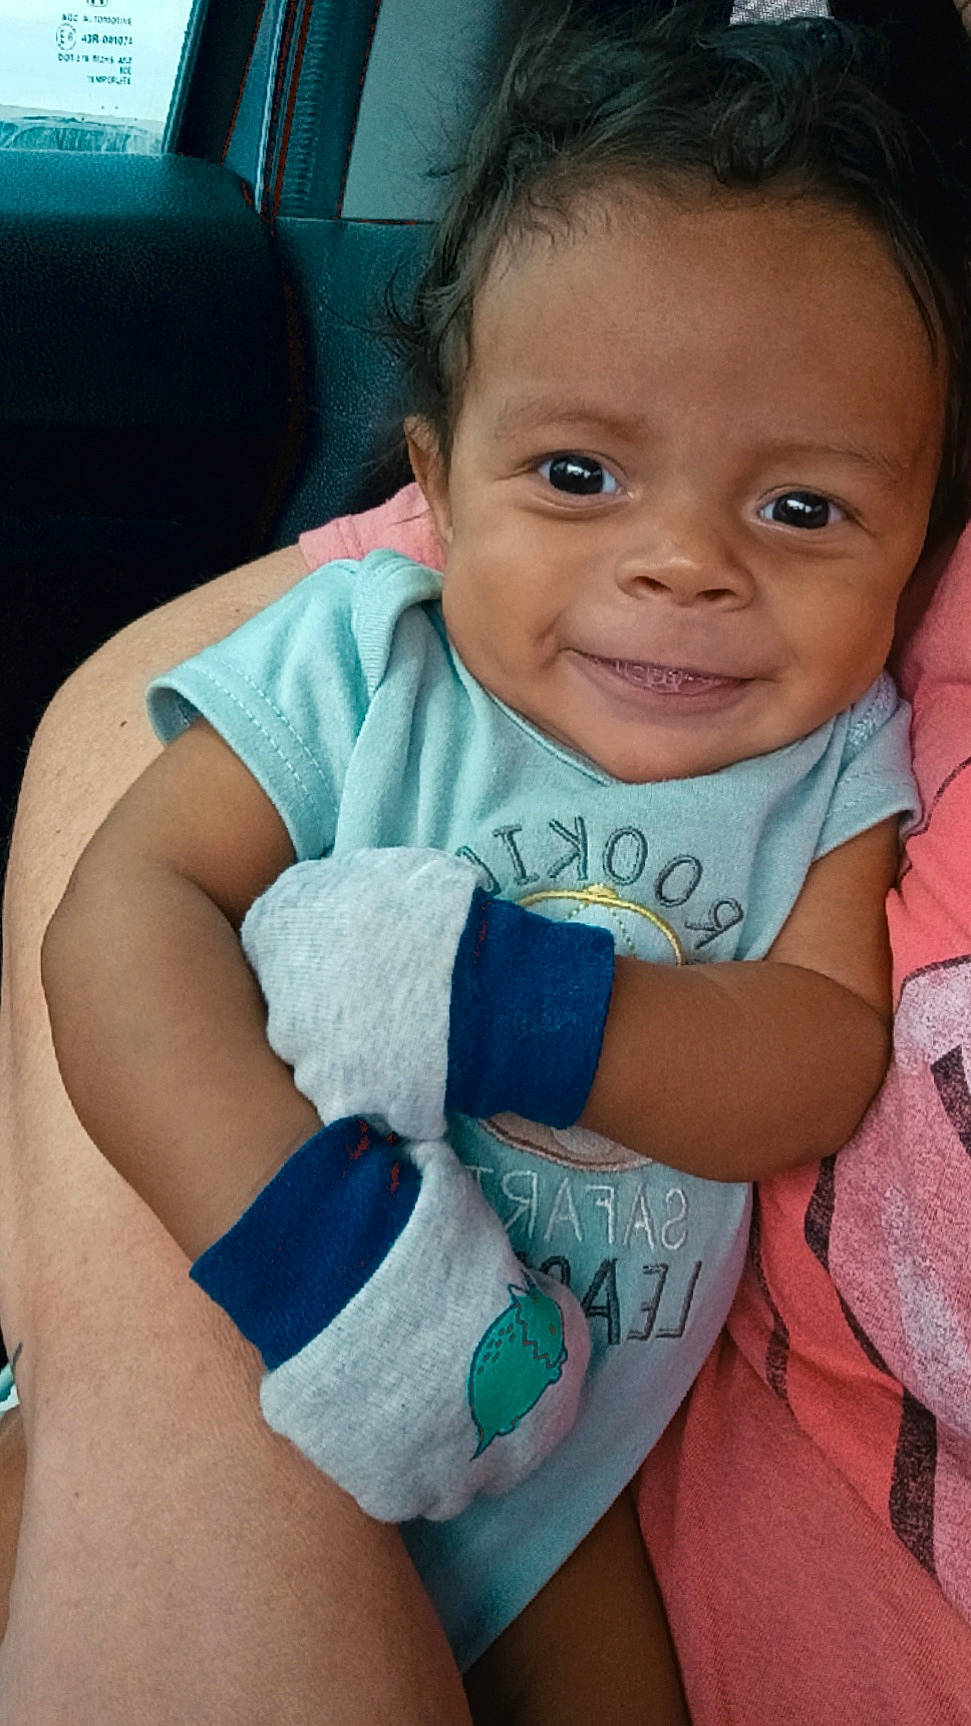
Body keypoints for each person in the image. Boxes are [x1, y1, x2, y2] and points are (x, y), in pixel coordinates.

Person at [3, 12, 971, 1726]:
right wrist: (316, 1265)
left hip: (568, 1476)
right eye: (580, 475)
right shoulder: (366, 658)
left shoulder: (835, 758)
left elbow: (823, 1052)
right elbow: (123, 918)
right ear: (438, 493)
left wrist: (508, 1004)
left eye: (803, 510)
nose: (684, 561)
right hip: (284, 1333)